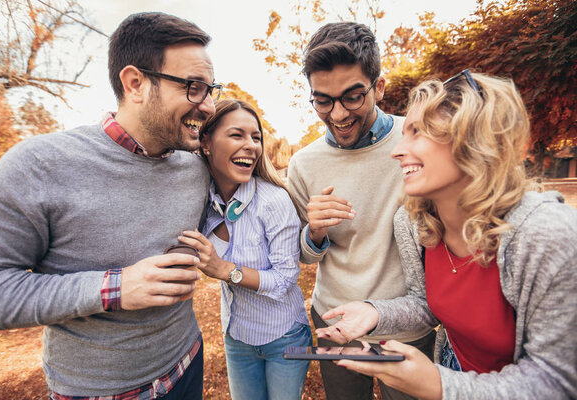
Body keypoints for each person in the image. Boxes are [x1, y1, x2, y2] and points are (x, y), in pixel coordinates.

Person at [0, 12, 222, 399]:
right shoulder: (37, 166)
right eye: (193, 87)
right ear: (135, 83)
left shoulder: (195, 169)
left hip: (187, 362)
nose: (208, 106)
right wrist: (115, 288)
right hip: (99, 391)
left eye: (211, 89)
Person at [316, 71, 577, 399]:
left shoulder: (548, 236)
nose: (397, 150)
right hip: (454, 370)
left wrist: (440, 386)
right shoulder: (413, 222)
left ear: (474, 139)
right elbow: (427, 302)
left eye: (418, 132)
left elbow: (558, 381)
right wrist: (376, 312)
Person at [286, 22, 435, 400]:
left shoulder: (416, 142)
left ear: (379, 87)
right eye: (323, 100)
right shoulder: (303, 163)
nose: (337, 115)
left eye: (352, 97)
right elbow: (302, 255)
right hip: (335, 319)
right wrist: (313, 233)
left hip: (408, 323)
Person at [179, 99, 311, 400]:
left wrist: (225, 270)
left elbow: (285, 280)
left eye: (256, 137)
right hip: (237, 338)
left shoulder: (273, 201)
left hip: (284, 337)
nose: (251, 145)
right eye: (237, 135)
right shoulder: (201, 201)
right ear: (207, 143)